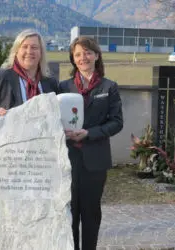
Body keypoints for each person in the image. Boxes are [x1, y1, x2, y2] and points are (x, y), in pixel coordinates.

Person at [59, 37, 123, 250]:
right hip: (67, 160)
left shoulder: (109, 87)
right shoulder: (63, 87)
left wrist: (89, 133)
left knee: (91, 213)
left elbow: (116, 123)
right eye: (78, 54)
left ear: (96, 55)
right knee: (69, 213)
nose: (83, 57)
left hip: (95, 160)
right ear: (73, 60)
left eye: (87, 52)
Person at [0, 29, 59, 169]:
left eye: (35, 47)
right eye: (24, 47)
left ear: (41, 53)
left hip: (39, 159)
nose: (29, 51)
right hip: (2, 158)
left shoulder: (50, 83)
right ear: (16, 51)